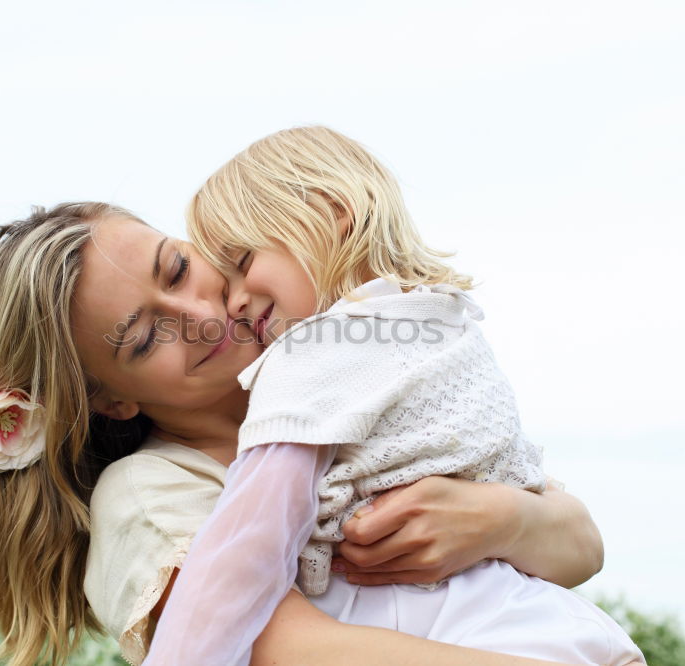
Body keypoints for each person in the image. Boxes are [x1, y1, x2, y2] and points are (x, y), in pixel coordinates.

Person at [0, 201, 610, 666]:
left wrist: (500, 521)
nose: (201, 314)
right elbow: (287, 653)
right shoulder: (149, 496)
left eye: (178, 268)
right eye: (146, 338)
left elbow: (581, 546)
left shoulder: (337, 370)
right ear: (110, 400)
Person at [143, 127, 644, 665]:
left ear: (332, 211)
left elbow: (247, 542)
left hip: (473, 635)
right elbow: (549, 509)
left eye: (242, 263)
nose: (235, 302)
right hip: (546, 625)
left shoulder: (314, 353)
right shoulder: (440, 321)